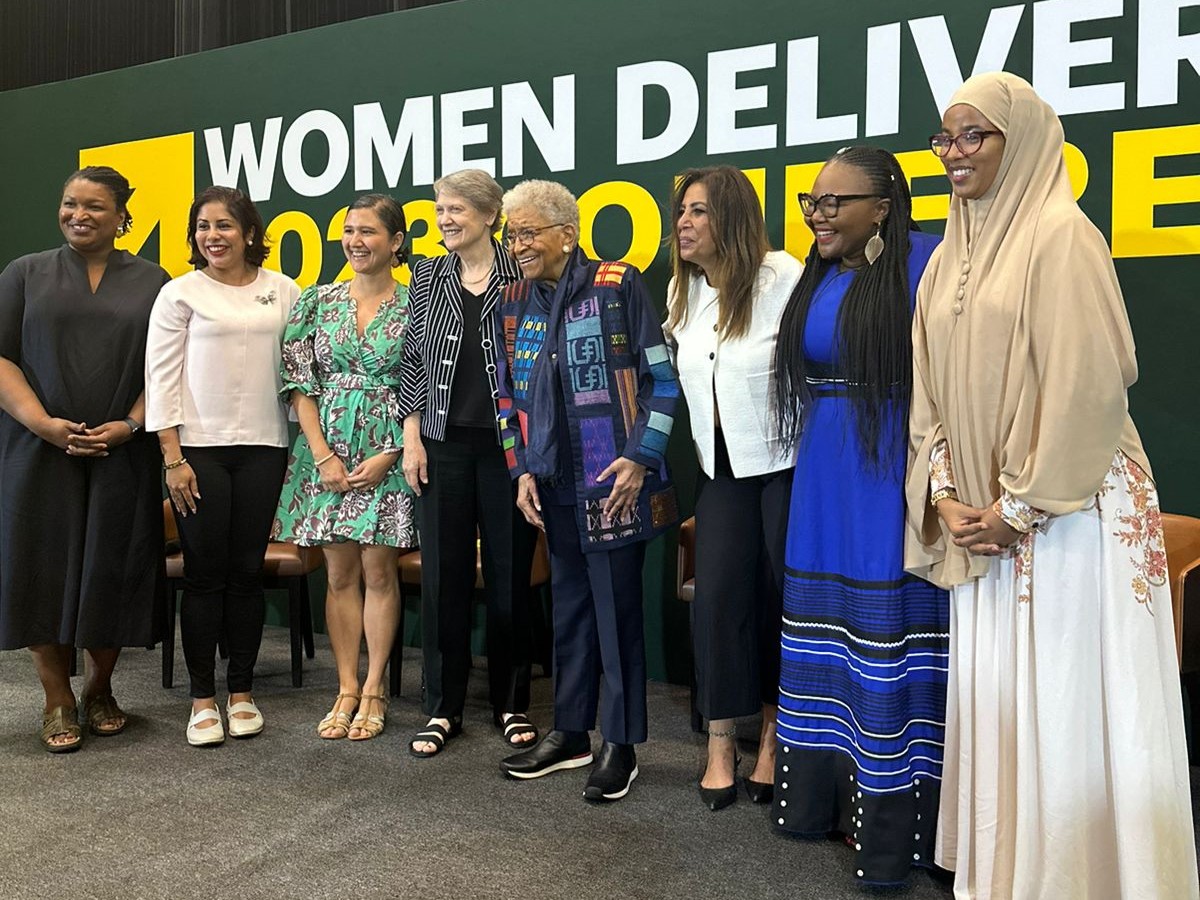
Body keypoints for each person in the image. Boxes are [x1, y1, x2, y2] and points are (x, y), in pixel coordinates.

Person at [905, 72, 1198, 900]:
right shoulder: (945, 256)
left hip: (1069, 519)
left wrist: (1019, 507)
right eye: (945, 138)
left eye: (974, 136)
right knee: (1009, 700)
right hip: (983, 520)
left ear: (1023, 140)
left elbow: (1090, 386)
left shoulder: (1063, 234)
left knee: (1068, 700)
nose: (954, 154)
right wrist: (947, 493)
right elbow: (927, 389)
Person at [771, 146, 949, 884]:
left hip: (891, 470)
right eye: (812, 202)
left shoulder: (928, 262)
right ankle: (821, 807)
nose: (819, 214)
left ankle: (898, 837)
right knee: (828, 635)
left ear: (883, 205)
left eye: (834, 203)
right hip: (824, 472)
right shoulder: (821, 271)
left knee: (885, 638)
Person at [494, 179, 679, 802]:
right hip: (550, 484)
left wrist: (640, 456)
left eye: (526, 233)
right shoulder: (512, 300)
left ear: (566, 235)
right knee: (570, 612)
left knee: (617, 612)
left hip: (612, 483)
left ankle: (620, 743)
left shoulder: (617, 284)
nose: (516, 245)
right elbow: (505, 397)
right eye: (510, 234)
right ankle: (571, 731)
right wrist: (520, 469)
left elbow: (662, 378)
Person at [0, 166, 169, 752]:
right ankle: (56, 698)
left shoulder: (154, 280)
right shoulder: (24, 273)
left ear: (123, 214)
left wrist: (128, 425)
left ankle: (100, 687)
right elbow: (2, 359)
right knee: (38, 570)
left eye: (95, 206)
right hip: (36, 449)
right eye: (70, 203)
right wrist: (43, 425)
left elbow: (166, 370)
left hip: (122, 453)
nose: (79, 215)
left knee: (113, 569)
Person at [663, 166, 801, 810]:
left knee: (777, 598)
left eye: (699, 211)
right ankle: (721, 743)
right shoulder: (683, 292)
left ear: (733, 218)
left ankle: (773, 739)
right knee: (716, 602)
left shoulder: (782, 277)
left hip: (780, 465)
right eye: (681, 212)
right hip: (716, 469)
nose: (684, 223)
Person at [145, 185, 300, 747]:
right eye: (203, 226)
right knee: (206, 577)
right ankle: (202, 699)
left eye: (225, 225)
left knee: (245, 576)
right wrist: (173, 458)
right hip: (198, 452)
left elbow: (298, 375)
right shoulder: (179, 293)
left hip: (265, 448)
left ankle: (242, 693)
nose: (213, 235)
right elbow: (160, 379)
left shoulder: (284, 290)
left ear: (250, 232)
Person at [399, 170, 538, 758]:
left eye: (456, 209)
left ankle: (512, 703)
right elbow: (412, 357)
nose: (445, 219)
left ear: (489, 215)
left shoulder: (522, 272)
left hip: (509, 450)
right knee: (444, 581)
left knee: (510, 580)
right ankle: (441, 707)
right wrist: (411, 435)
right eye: (439, 209)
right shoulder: (428, 276)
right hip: (441, 445)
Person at [273, 193, 415, 742]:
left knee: (379, 573)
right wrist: (323, 455)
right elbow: (298, 383)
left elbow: (425, 385)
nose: (356, 241)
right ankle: (346, 686)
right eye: (349, 231)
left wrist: (392, 454)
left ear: (396, 242)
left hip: (390, 451)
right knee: (338, 575)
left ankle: (376, 689)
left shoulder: (417, 306)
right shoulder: (316, 302)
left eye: (370, 232)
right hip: (324, 452)